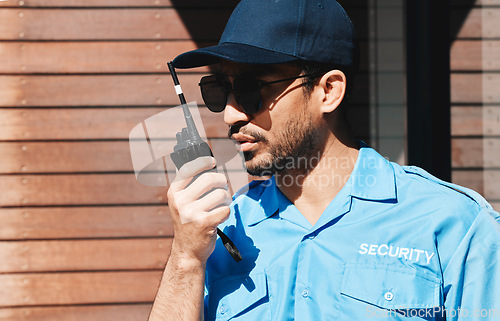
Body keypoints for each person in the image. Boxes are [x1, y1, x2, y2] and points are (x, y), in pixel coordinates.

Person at [148, 0, 500, 320]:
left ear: (328, 91)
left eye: (250, 90)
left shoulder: (455, 225)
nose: (229, 114)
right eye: (218, 90)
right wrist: (186, 257)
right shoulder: (219, 231)